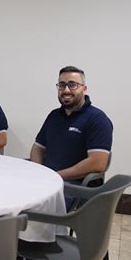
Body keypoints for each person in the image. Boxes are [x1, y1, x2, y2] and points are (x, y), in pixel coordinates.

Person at [30, 66, 113, 207]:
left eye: (72, 85)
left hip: (77, 188)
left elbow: (98, 163)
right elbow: (37, 149)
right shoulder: (54, 116)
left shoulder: (97, 119)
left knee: (31, 204)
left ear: (84, 88)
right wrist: (39, 172)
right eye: (62, 85)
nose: (66, 90)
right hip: (49, 180)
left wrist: (56, 176)